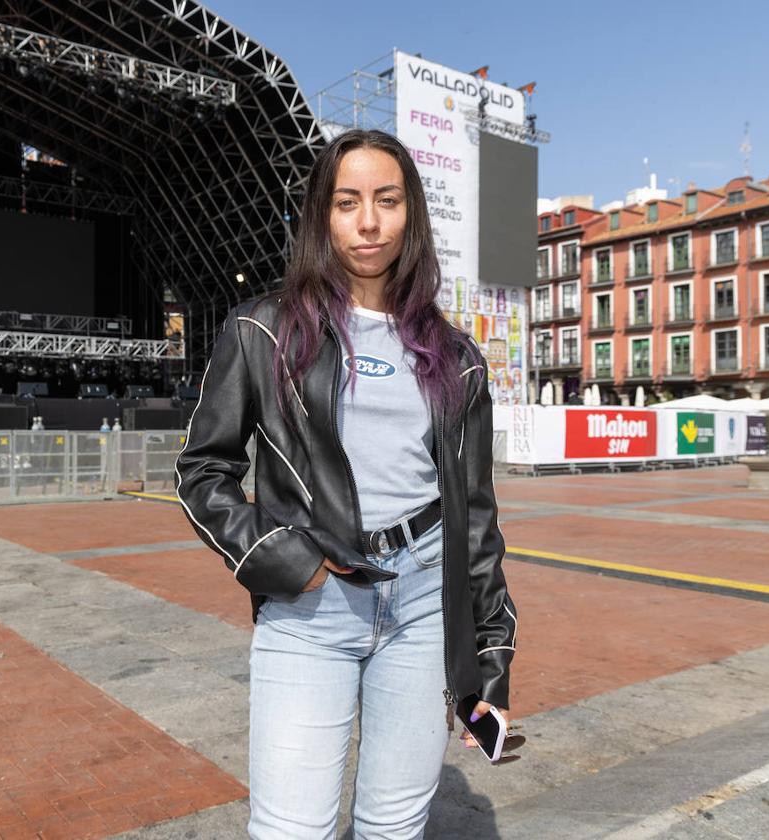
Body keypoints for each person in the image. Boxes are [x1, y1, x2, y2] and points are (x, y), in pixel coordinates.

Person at [175, 128, 520, 838]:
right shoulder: (262, 329)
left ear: (411, 214)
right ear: (321, 216)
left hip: (427, 604)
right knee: (290, 828)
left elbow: (475, 520)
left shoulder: (459, 359)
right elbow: (203, 469)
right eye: (348, 202)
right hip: (312, 608)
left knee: (394, 827)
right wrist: (287, 562)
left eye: (387, 201)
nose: (368, 221)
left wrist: (488, 660)